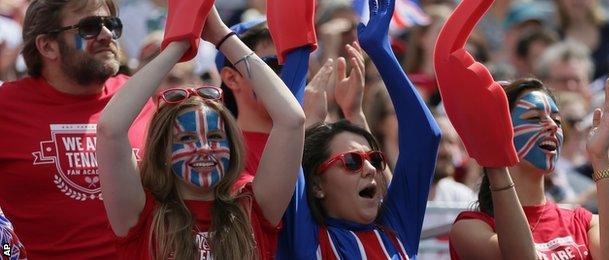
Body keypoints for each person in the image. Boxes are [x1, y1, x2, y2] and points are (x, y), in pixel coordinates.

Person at [96, 5, 305, 259]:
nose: (205, 147)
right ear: (163, 151)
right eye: (186, 138)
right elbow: (110, 129)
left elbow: (292, 120)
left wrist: (222, 37)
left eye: (216, 137)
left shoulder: (252, 208)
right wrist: (178, 46)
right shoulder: (141, 214)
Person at [434, 0, 609, 258]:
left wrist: (601, 158)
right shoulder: (471, 227)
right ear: (501, 129)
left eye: (557, 120)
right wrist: (495, 159)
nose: (551, 126)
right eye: (535, 117)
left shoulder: (581, 219)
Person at [278, 0, 441, 258]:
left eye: (375, 160)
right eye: (351, 161)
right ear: (317, 184)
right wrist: (305, 122)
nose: (370, 169)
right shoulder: (305, 236)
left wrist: (381, 49)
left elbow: (425, 137)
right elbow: (286, 144)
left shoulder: (396, 230)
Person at [0, 0, 154, 258]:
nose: (106, 35)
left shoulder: (140, 98)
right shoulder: (5, 107)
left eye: (111, 25)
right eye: (90, 27)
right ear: (48, 46)